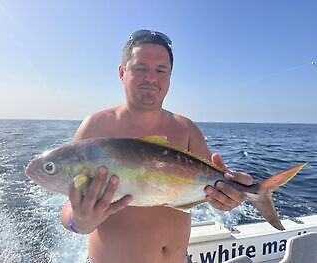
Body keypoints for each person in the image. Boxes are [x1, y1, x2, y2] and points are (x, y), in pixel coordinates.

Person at [60, 29, 253, 263]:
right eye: (140, 68)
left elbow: (213, 191)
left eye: (161, 70)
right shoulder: (96, 128)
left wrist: (228, 197)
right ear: (122, 72)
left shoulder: (187, 130)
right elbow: (70, 211)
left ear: (170, 78)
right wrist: (79, 221)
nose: (151, 78)